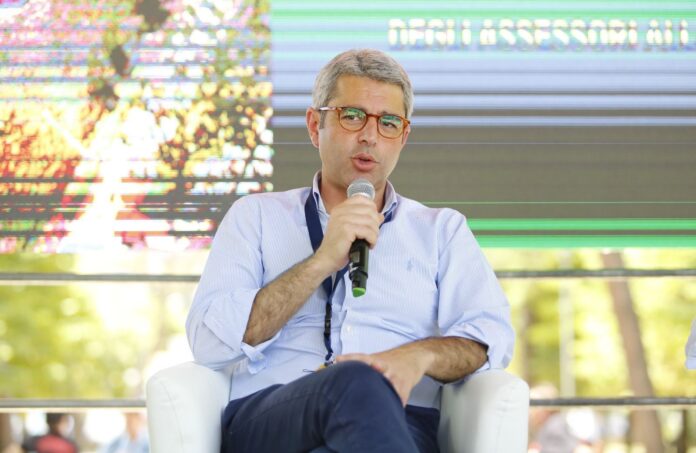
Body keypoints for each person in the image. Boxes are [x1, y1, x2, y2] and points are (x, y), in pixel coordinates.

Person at [186, 48, 514, 453]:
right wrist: (322, 260)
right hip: (276, 418)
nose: (370, 136)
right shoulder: (255, 217)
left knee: (363, 395)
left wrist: (417, 357)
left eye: (388, 123)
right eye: (352, 116)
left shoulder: (441, 230)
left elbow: (489, 337)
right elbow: (209, 344)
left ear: (403, 137)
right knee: (355, 381)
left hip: (399, 419)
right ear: (315, 125)